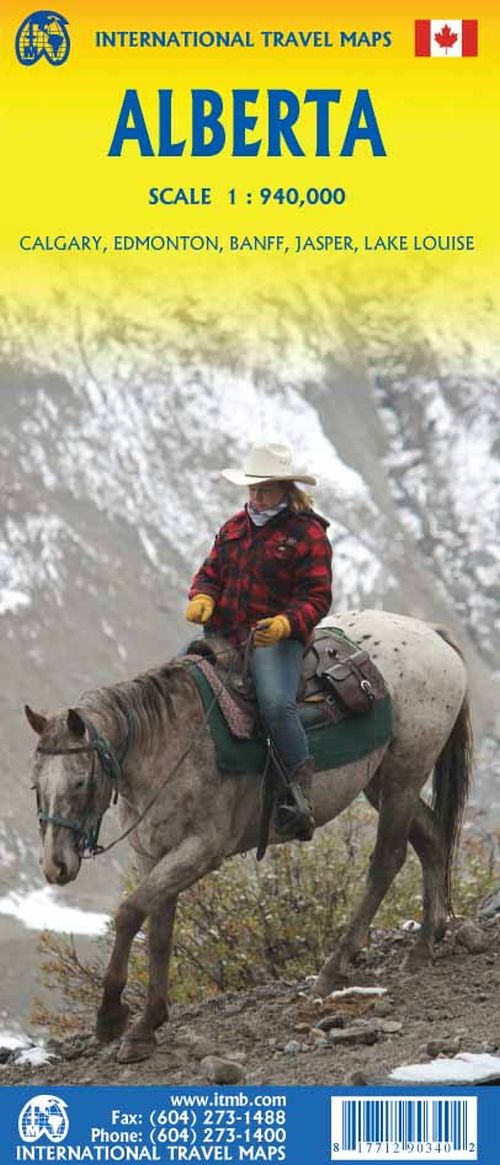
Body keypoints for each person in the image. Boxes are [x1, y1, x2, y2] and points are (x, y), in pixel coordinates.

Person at [184, 442, 333, 840]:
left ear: (285, 487)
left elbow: (317, 597)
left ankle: (299, 793)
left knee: (276, 705)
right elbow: (210, 573)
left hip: (274, 640)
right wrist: (202, 597)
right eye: (253, 488)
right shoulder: (234, 527)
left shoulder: (308, 534)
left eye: (264, 488)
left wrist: (285, 624)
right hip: (224, 636)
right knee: (176, 681)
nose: (256, 495)